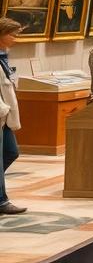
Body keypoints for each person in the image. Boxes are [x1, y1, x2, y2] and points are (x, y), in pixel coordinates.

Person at [0, 18, 26, 215]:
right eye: (12, 34)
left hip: (5, 115)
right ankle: (1, 201)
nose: (15, 39)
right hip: (1, 113)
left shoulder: (4, 56)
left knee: (11, 152)